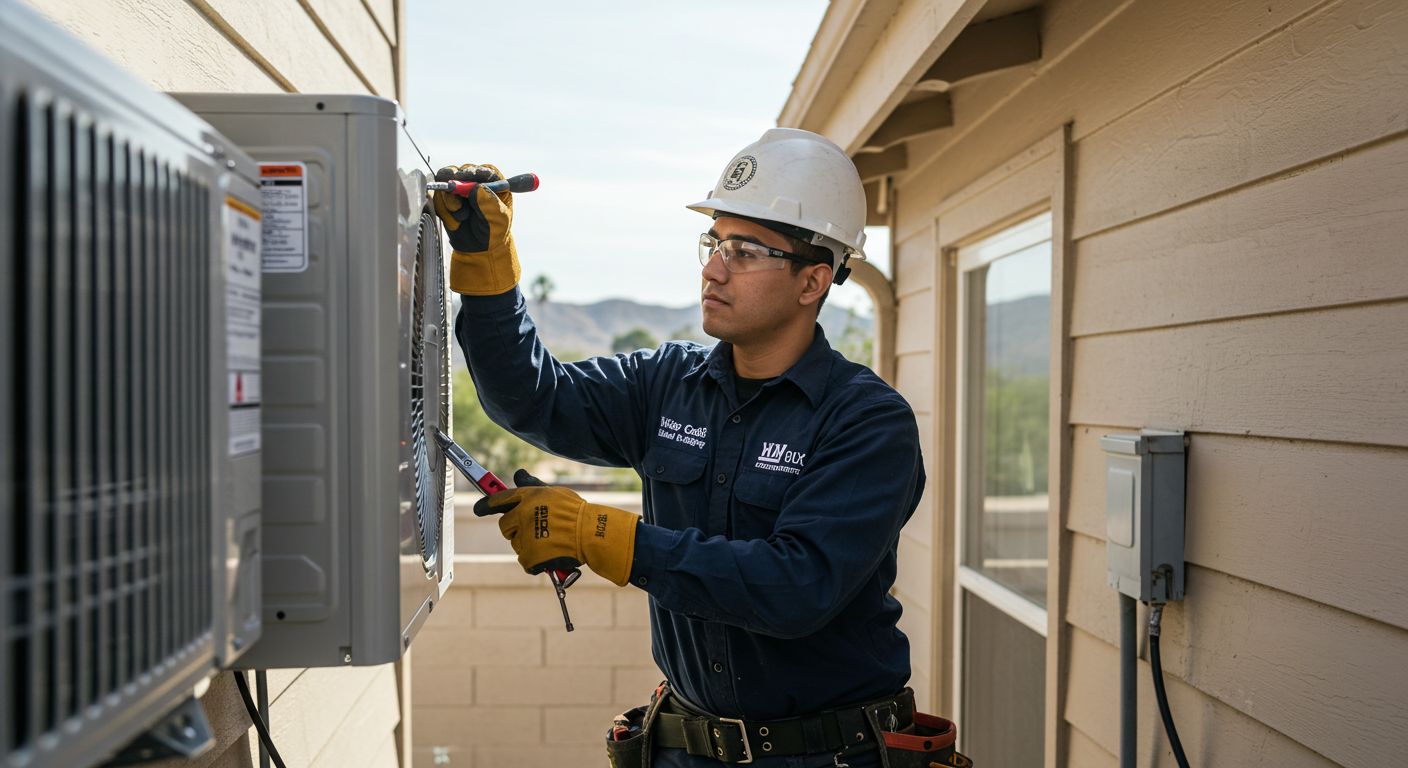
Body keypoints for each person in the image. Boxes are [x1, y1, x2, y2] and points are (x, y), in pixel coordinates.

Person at [437, 129, 926, 768]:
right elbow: (533, 398)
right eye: (715, 242)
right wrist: (487, 268)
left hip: (827, 755)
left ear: (814, 281)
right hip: (686, 748)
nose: (714, 268)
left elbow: (795, 587)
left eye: (746, 251)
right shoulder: (667, 384)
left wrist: (600, 535)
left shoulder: (866, 423)